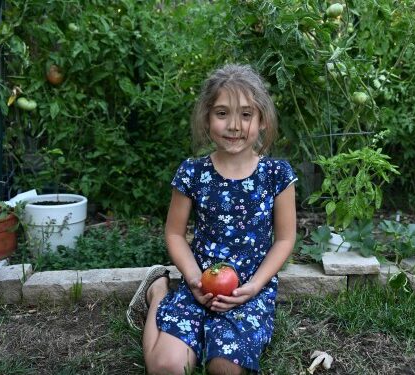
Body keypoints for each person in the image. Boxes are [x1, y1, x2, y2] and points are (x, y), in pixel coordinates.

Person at [126, 64, 297, 375]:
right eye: (222, 113)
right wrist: (192, 280)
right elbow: (175, 234)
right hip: (198, 283)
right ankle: (158, 291)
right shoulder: (193, 173)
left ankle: (216, 336)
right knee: (165, 367)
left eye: (246, 114)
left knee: (225, 368)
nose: (234, 125)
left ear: (262, 121)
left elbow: (285, 239)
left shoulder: (276, 175)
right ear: (207, 118)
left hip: (248, 289)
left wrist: (255, 286)